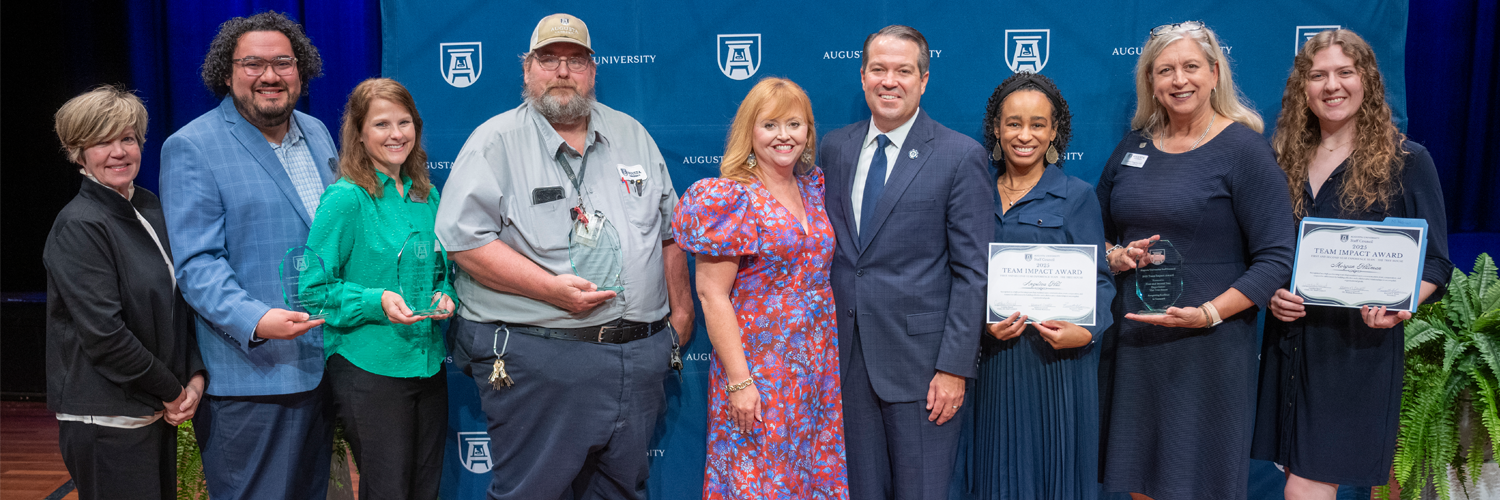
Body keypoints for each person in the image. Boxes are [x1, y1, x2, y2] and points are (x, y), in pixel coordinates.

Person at [433, 13, 694, 500]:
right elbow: (464, 241)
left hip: (637, 356)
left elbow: (669, 231)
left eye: (575, 60)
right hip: (541, 356)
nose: (562, 71)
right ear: (527, 69)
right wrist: (549, 290)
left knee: (622, 491)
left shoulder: (631, 133)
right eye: (549, 59)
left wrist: (680, 314)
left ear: (593, 71)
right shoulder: (496, 141)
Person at [1094, 21, 1295, 500]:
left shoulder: (1244, 149)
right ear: (1151, 82)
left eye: (1190, 67)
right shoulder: (1133, 146)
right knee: (1138, 476)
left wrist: (1209, 314)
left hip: (1210, 346)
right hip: (1135, 338)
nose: (1178, 80)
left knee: (1196, 479)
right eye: (1165, 70)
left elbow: (1276, 258)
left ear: (1214, 73)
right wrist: (1118, 257)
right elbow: (1095, 235)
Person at [1251, 29, 1453, 500]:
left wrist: (1400, 305)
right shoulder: (1283, 160)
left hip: (1357, 351)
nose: (1332, 86)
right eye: (1318, 75)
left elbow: (1437, 264)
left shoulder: (1407, 161)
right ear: (1303, 87)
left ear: (1368, 82)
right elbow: (1272, 250)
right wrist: (1274, 294)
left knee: (1305, 489)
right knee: (1298, 480)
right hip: (1291, 345)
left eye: (1345, 72)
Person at [159, 11, 337, 500]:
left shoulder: (319, 134)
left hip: (322, 368)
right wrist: (257, 320)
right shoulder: (192, 146)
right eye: (253, 64)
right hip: (251, 376)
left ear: (302, 70)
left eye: (283, 62)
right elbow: (197, 266)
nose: (270, 76)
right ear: (227, 72)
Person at [817, 24, 991, 500]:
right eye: (879, 69)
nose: (889, 81)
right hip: (846, 361)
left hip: (923, 371)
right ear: (863, 76)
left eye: (903, 71)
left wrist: (954, 368)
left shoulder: (959, 156)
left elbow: (974, 273)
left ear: (924, 80)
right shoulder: (835, 147)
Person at [673, 77, 849, 500]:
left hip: (816, 370)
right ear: (749, 131)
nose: (784, 136)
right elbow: (711, 295)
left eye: (795, 124)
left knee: (810, 478)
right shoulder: (729, 197)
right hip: (758, 371)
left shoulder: (813, 188)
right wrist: (740, 383)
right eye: (770, 125)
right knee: (759, 482)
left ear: (808, 132)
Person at [951, 73, 1115, 500]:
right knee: (992, 476)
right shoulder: (970, 190)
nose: (1025, 135)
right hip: (990, 360)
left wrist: (1087, 330)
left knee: (1053, 478)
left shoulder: (1076, 196)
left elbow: (1099, 278)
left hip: (1054, 363)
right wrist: (982, 324)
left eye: (1038, 124)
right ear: (996, 129)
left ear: (1055, 131)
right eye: (1014, 123)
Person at [45, 85, 206, 500]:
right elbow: (106, 336)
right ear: (78, 153)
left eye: (127, 138)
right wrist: (173, 391)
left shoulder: (149, 206)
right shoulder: (79, 225)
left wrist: (195, 375)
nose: (118, 152)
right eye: (102, 142)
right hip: (107, 422)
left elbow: (177, 304)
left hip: (153, 412)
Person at [301, 77, 456, 500]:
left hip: (427, 363)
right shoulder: (345, 199)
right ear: (359, 132)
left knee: (424, 490)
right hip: (369, 368)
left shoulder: (426, 195)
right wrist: (377, 301)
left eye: (404, 123)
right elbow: (313, 290)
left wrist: (448, 297)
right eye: (382, 124)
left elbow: (445, 272)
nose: (396, 135)